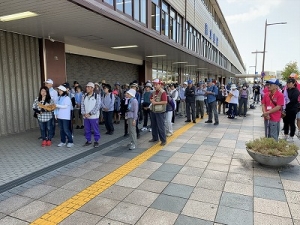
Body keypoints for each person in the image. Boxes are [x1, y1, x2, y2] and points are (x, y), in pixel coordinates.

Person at [81, 82, 102, 147]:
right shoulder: (84, 96)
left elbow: (97, 106)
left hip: (94, 117)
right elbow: (82, 105)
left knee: (95, 129)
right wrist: (84, 113)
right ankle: (88, 140)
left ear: (92, 88)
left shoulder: (97, 96)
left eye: (88, 87)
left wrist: (90, 113)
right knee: (87, 129)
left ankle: (96, 141)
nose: (86, 88)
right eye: (86, 87)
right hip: (86, 117)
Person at [149, 79, 167, 146]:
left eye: (156, 84)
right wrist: (152, 100)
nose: (155, 86)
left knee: (160, 126)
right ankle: (155, 137)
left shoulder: (163, 92)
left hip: (160, 112)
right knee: (153, 125)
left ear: (160, 85)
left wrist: (155, 102)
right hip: (153, 111)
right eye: (154, 84)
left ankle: (163, 140)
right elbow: (150, 99)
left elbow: (165, 102)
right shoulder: (153, 92)